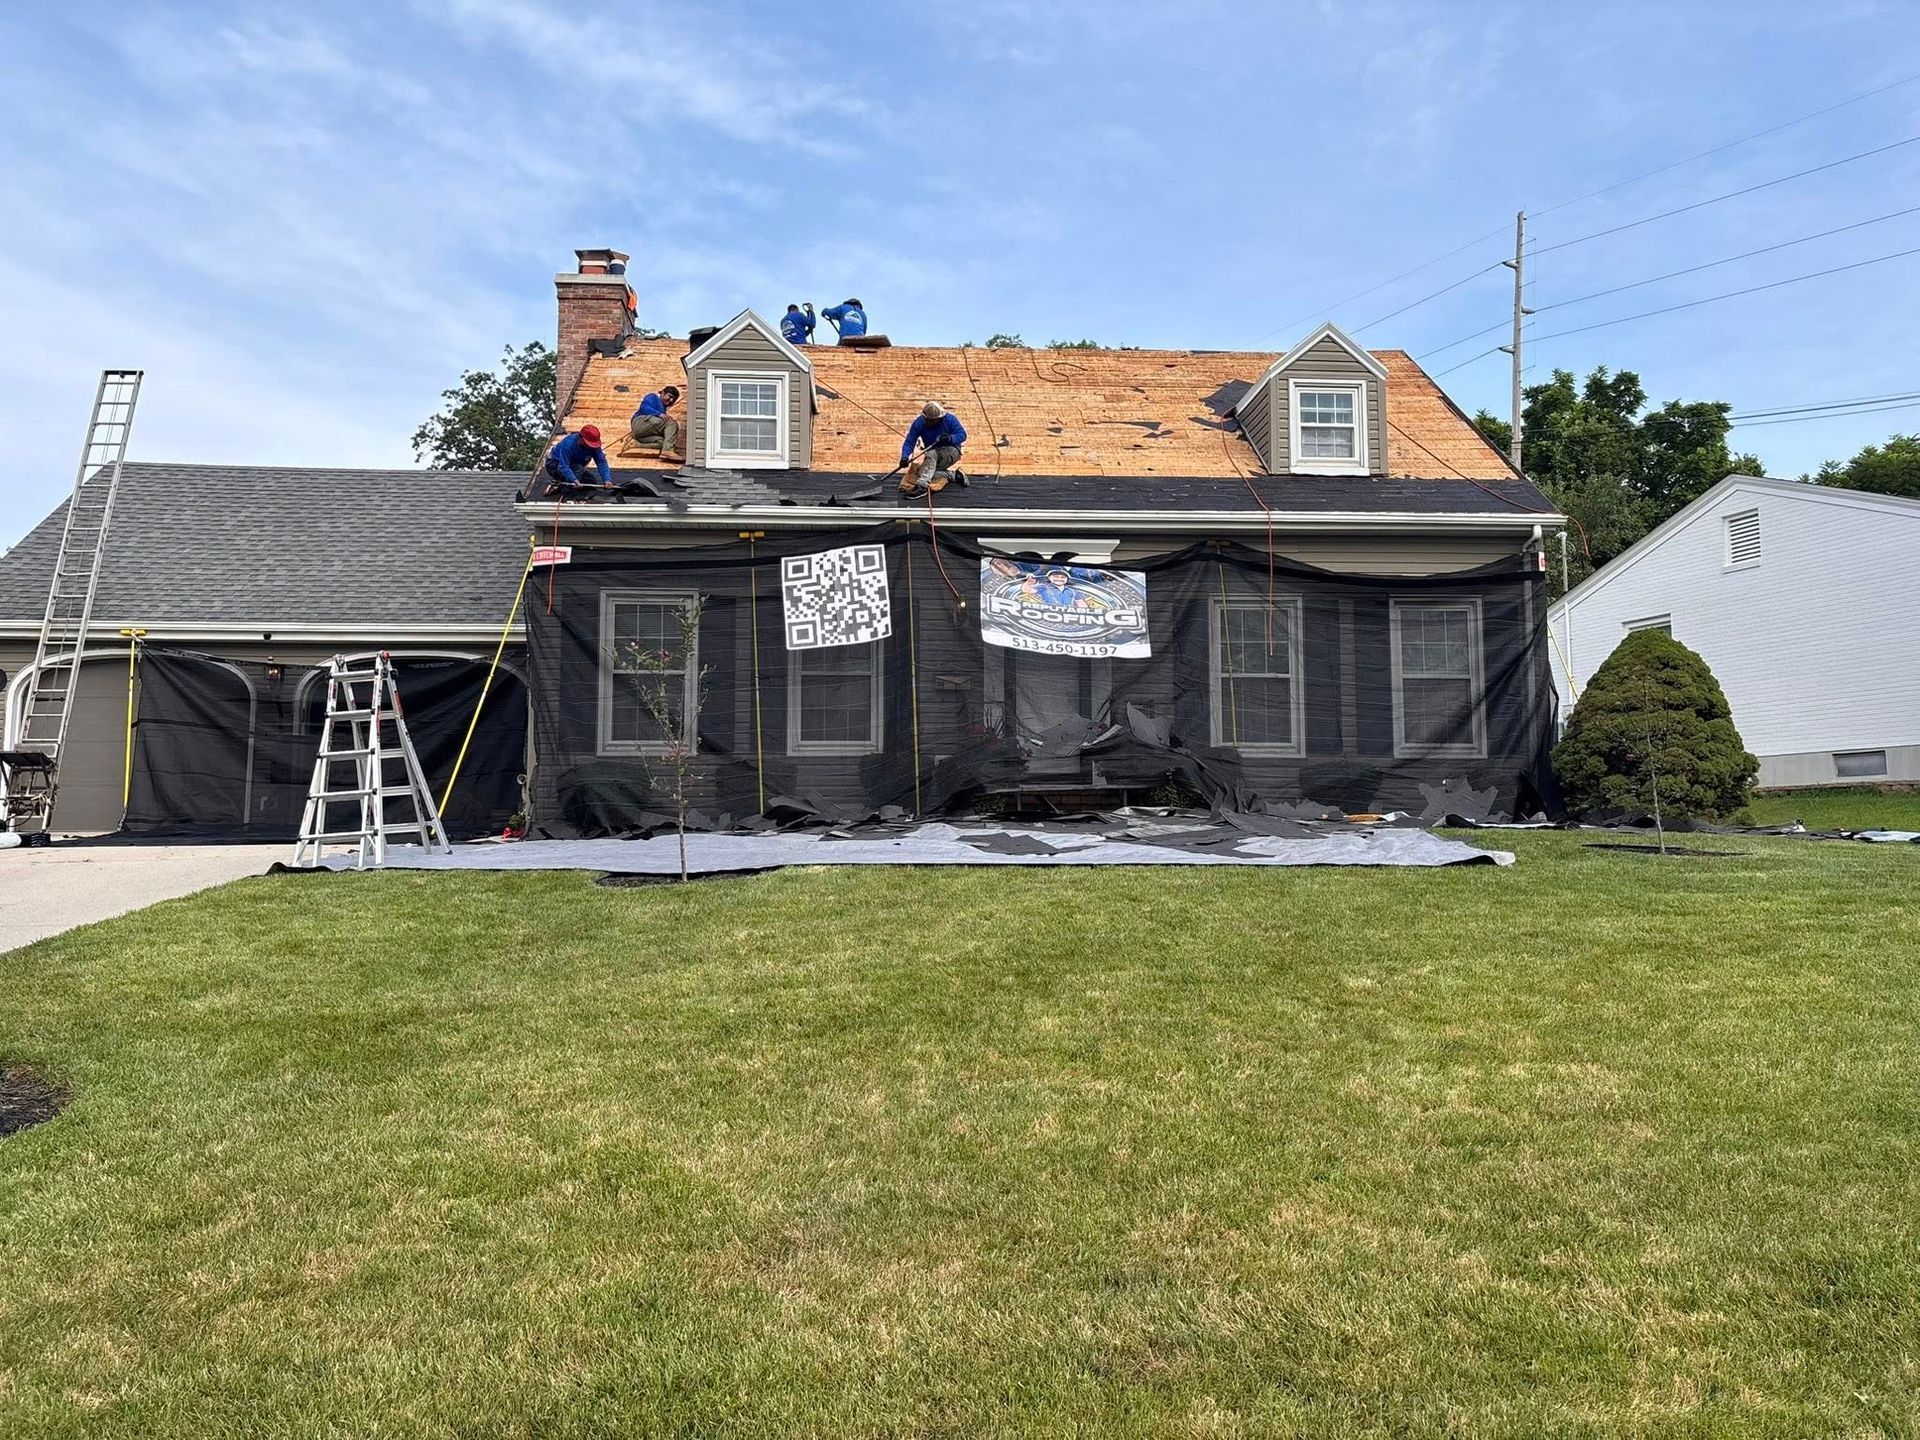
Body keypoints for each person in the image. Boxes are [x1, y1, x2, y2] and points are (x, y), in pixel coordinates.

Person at [899, 400, 967, 494]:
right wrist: (904, 457)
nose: (929, 422)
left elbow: (962, 435)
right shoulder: (919, 423)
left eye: (932, 420)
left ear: (940, 418)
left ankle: (921, 486)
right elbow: (910, 441)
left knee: (929, 459)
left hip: (952, 452)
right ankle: (953, 475)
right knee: (923, 472)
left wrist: (950, 438)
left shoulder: (950, 420)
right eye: (927, 419)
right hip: (933, 455)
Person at [544, 424, 611, 491]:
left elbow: (601, 462)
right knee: (576, 475)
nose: (591, 447)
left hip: (575, 466)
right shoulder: (568, 444)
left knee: (590, 482)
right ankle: (566, 490)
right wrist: (574, 480)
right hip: (554, 464)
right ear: (581, 438)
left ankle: (561, 483)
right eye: (589, 444)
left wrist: (607, 479)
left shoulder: (595, 446)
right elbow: (563, 466)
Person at [628, 385, 683, 462]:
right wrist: (659, 414)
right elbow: (644, 407)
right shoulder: (653, 397)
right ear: (663, 393)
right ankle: (668, 451)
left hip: (642, 435)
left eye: (673, 399)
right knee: (672, 424)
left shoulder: (663, 410)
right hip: (640, 423)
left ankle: (635, 444)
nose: (671, 400)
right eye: (670, 396)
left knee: (664, 443)